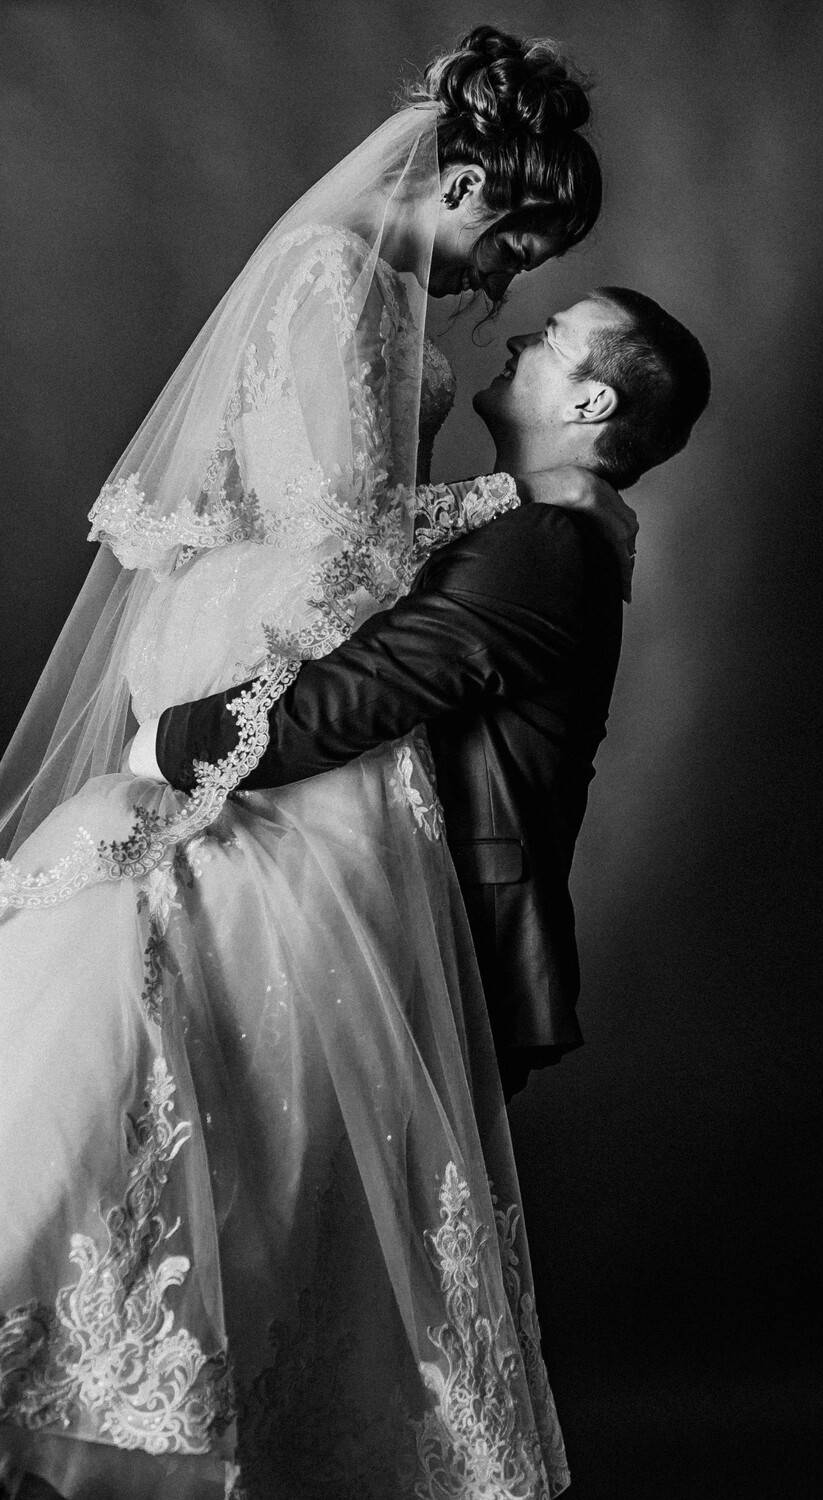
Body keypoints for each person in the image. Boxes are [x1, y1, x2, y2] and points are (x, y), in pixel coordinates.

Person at [0, 25, 630, 1500]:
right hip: (274, 681)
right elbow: (334, 556)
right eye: (508, 245)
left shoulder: (356, 280)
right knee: (242, 1063)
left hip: (282, 679)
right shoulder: (340, 278)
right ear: (461, 182)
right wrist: (512, 499)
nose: (500, 286)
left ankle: (213, 1419)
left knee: (261, 1083)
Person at [140, 287, 711, 1101]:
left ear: (591, 402)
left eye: (551, 337)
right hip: (404, 928)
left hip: (450, 948)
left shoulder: (542, 547)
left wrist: (163, 746)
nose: (518, 337)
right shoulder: (524, 525)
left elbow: (355, 695)